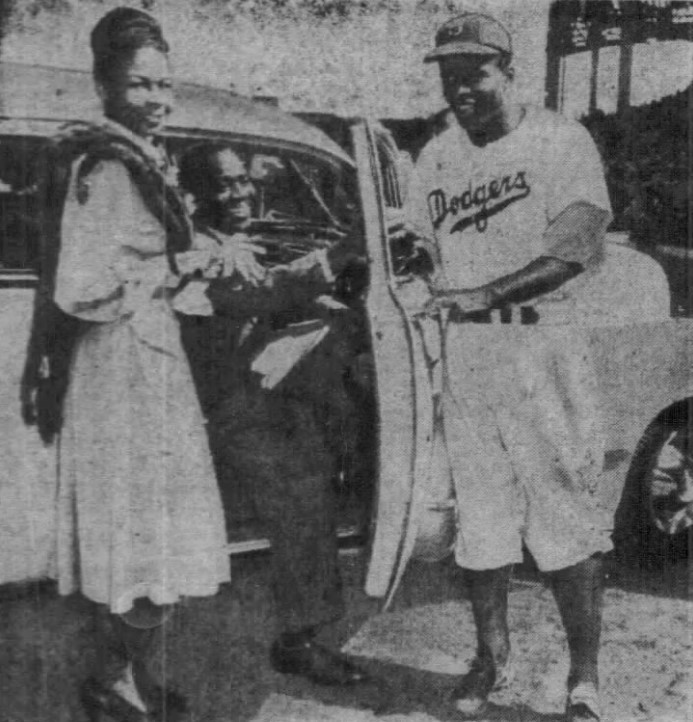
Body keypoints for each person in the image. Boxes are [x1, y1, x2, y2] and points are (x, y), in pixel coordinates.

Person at [397, 13, 613, 722]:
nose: (460, 87)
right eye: (448, 74)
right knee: (481, 523)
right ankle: (491, 656)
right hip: (468, 357)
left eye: (475, 71)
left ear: (508, 68)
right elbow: (419, 249)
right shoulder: (435, 157)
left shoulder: (559, 140)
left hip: (540, 345)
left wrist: (481, 291)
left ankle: (583, 677)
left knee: (564, 520)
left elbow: (575, 248)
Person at [22, 8, 233, 721]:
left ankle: (121, 674)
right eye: (141, 85)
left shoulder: (138, 158)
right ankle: (115, 680)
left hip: (148, 360)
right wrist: (179, 263)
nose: (157, 100)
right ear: (105, 85)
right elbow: (80, 288)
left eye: (164, 85)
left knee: (151, 542)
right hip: (121, 372)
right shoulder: (107, 165)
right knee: (142, 537)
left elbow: (142, 255)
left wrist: (193, 258)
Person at [177, 142, 371, 686]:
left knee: (337, 351)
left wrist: (329, 304)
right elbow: (258, 292)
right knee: (301, 478)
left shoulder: (226, 239)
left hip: (241, 385)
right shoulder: (199, 248)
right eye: (224, 184)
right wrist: (344, 252)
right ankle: (299, 638)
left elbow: (269, 295)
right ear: (193, 194)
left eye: (243, 181)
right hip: (222, 404)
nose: (240, 192)